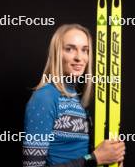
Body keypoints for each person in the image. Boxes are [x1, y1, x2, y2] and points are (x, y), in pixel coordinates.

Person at [22, 24, 125, 167]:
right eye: (69, 49)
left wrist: (110, 156)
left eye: (85, 50)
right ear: (57, 53)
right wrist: (95, 158)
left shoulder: (76, 99)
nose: (79, 57)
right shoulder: (44, 98)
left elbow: (78, 156)